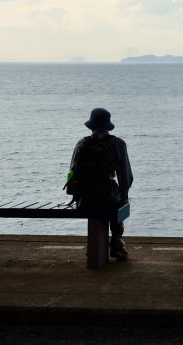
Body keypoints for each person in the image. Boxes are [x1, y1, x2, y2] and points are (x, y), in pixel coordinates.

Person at [67, 107, 133, 261]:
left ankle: (94, 245)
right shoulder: (118, 143)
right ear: (108, 126)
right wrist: (124, 196)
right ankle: (117, 243)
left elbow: (71, 172)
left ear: (91, 126)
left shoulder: (82, 143)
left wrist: (75, 194)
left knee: (99, 199)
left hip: (84, 201)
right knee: (118, 202)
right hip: (107, 199)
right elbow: (126, 177)